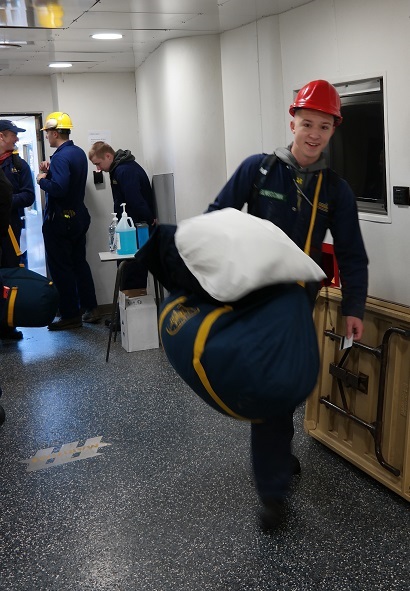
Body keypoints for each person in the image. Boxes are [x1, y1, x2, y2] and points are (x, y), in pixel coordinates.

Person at [206, 79, 369, 530]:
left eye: (324, 126)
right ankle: (273, 490)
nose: (314, 134)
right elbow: (216, 217)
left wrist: (354, 307)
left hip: (298, 304)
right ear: (291, 121)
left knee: (288, 384)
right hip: (255, 301)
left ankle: (278, 453)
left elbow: (352, 254)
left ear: (333, 130)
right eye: (307, 123)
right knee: (272, 389)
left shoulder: (336, 190)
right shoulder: (258, 171)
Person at [37, 112, 100, 330]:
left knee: (61, 267)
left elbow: (60, 189)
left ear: (55, 133)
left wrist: (42, 180)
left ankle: (70, 314)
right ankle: (90, 307)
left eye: (47, 133)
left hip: (61, 221)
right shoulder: (77, 152)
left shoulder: (62, 156)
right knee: (79, 263)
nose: (47, 137)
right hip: (78, 217)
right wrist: (51, 171)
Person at [88, 142, 156, 293]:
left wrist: (150, 218)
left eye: (98, 164)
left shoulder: (125, 170)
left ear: (108, 156)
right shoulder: (119, 169)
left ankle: (134, 310)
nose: (98, 169)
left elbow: (135, 200)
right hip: (130, 230)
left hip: (136, 230)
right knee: (126, 274)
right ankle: (127, 313)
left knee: (132, 275)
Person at [0, 120, 35, 340]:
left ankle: (8, 324)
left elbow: (29, 195)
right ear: (2, 136)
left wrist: (5, 201)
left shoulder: (19, 165)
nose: (17, 139)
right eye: (13, 135)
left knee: (10, 272)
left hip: (10, 227)